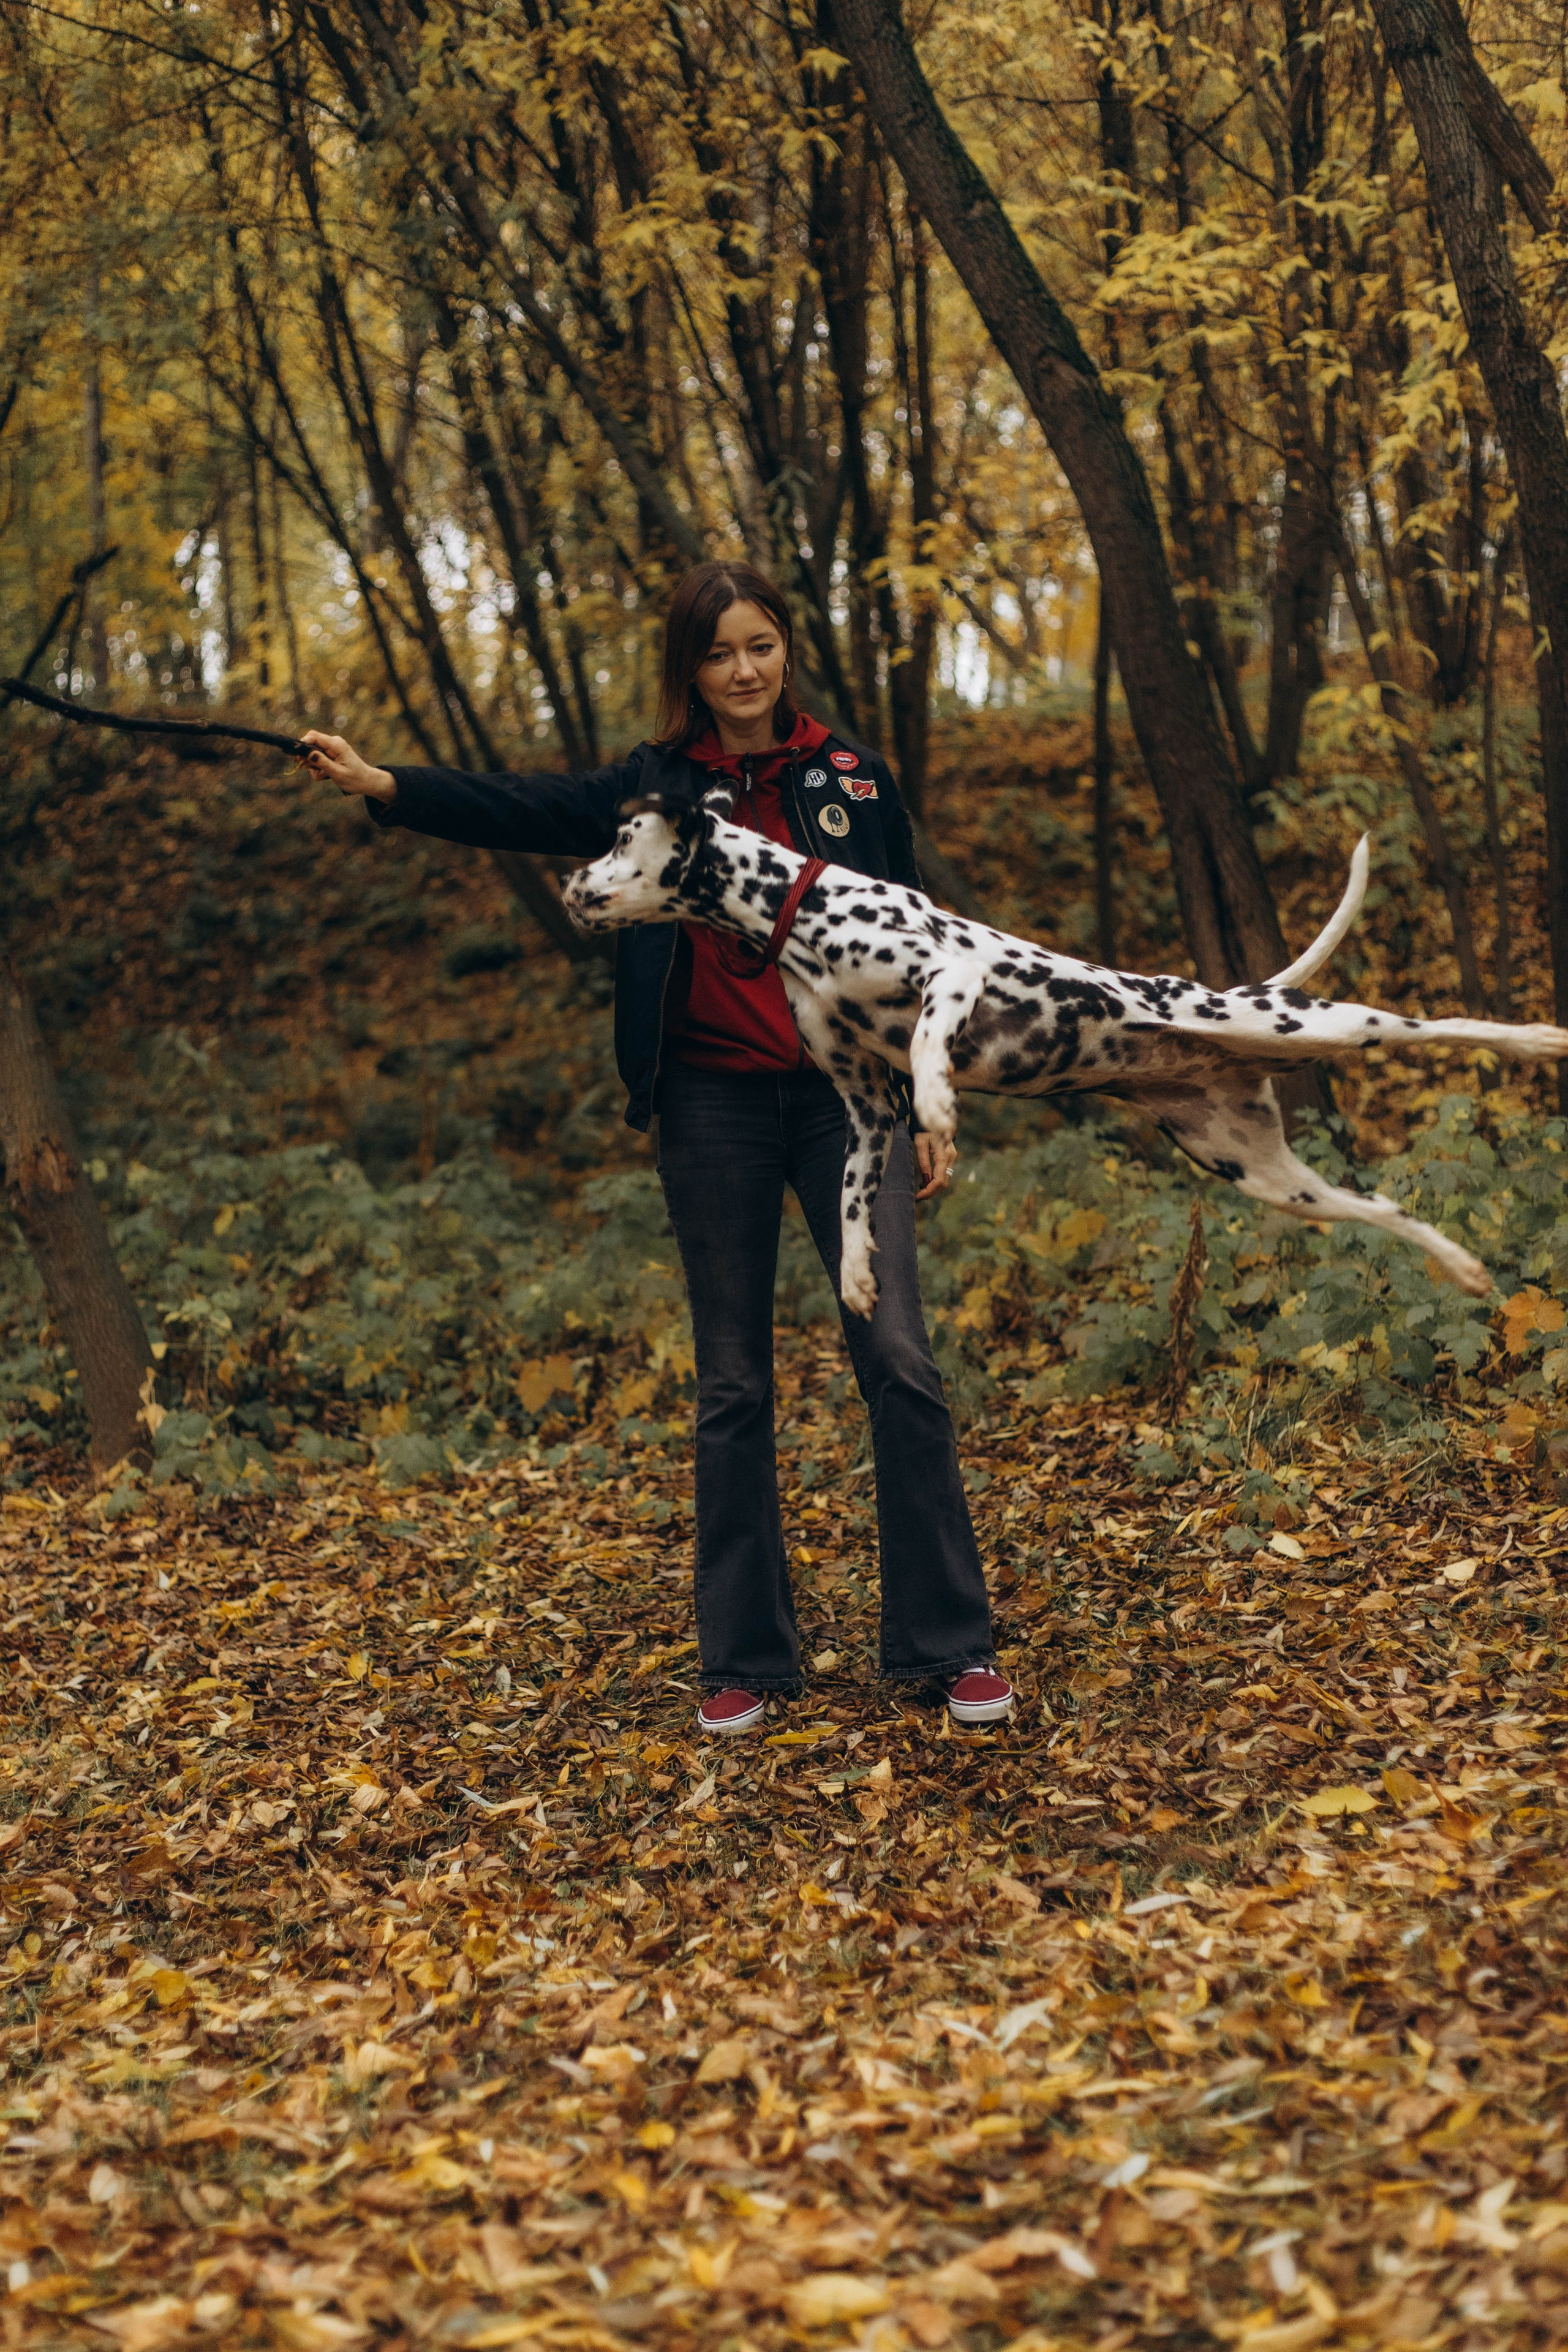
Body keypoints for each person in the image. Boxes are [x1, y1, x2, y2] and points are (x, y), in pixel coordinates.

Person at [303, 560, 1012, 1733]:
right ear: (690, 670)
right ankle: (746, 1660)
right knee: (733, 1380)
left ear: (787, 649)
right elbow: (524, 808)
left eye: (761, 646)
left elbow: (918, 946)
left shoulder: (851, 777)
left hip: (848, 1105)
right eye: (720, 654)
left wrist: (927, 1098)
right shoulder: (654, 787)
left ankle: (947, 1646)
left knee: (900, 1359)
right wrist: (388, 783)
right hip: (713, 1108)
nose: (744, 671)